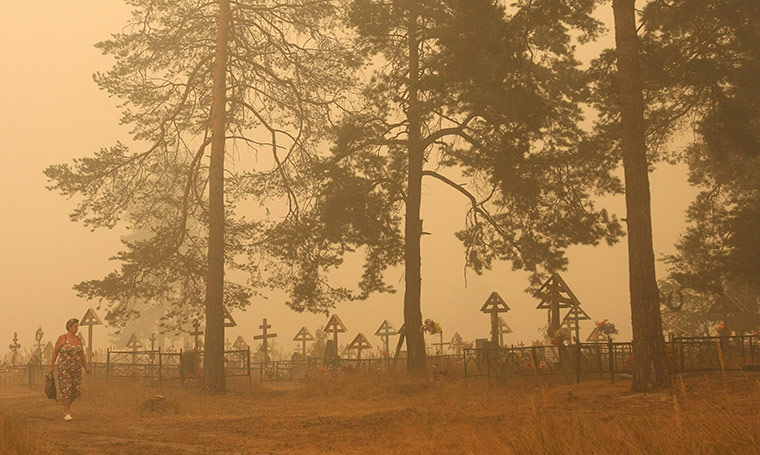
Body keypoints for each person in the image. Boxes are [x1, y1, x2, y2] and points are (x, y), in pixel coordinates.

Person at [50, 318, 91, 421]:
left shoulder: (78, 340)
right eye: (75, 326)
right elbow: (55, 352)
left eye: (77, 326)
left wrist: (86, 367)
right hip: (64, 368)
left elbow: (81, 354)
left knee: (75, 391)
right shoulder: (62, 338)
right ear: (69, 327)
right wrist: (52, 365)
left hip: (76, 369)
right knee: (66, 389)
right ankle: (67, 412)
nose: (77, 329)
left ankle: (66, 405)